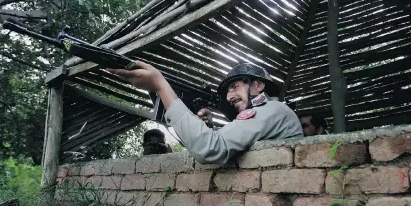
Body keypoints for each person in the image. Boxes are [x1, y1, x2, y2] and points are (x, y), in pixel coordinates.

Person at [107, 62, 303, 164]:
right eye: (228, 92)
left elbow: (211, 149)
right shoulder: (271, 114)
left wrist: (161, 86)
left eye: (234, 87)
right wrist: (209, 128)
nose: (229, 97)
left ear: (258, 85)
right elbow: (231, 148)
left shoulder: (274, 110)